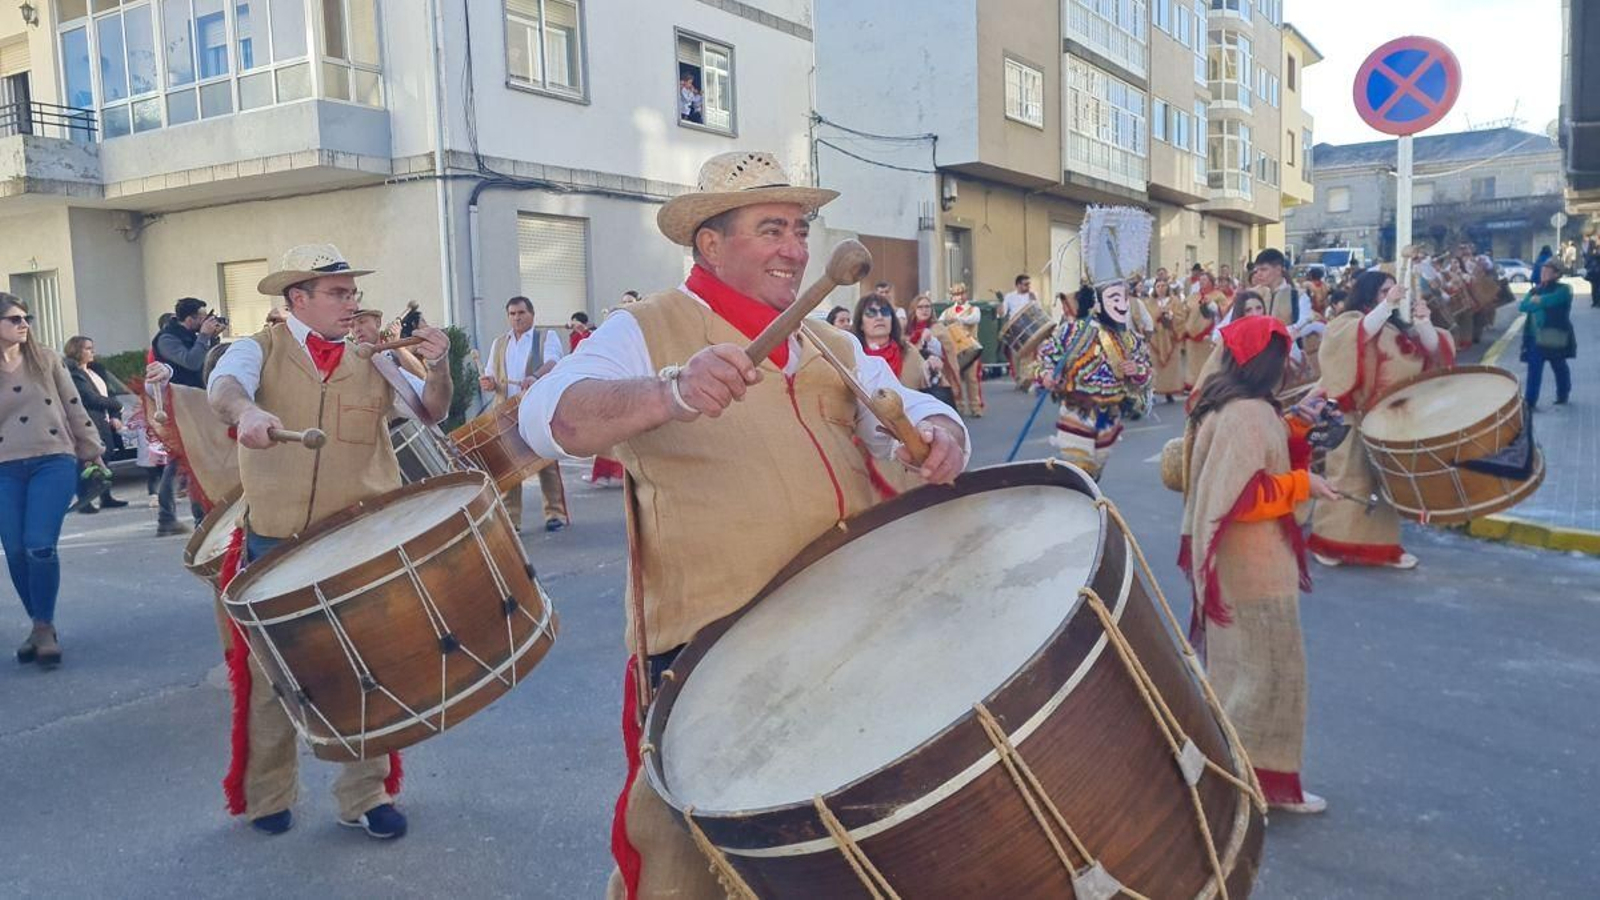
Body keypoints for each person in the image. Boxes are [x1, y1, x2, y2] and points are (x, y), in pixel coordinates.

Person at [518, 150, 967, 900]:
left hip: (849, 637)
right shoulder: (645, 328)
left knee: (845, 854)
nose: (795, 249)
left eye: (799, 228)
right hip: (712, 657)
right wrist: (670, 390)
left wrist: (940, 428)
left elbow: (904, 407)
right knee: (687, 866)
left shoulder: (833, 341)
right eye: (771, 229)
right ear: (710, 243)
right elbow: (549, 419)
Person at [207, 243, 452, 840]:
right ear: (299, 299)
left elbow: (431, 412)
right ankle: (267, 795)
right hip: (276, 543)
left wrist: (441, 365)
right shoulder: (253, 350)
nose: (352, 303)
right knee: (272, 680)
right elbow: (223, 390)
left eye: (352, 293)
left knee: (365, 672)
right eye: (338, 293)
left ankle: (364, 796)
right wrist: (247, 414)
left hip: (357, 541)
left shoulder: (374, 358)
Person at [1180, 314, 1338, 815]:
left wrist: (1296, 424)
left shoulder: (1231, 405)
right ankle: (1247, 784)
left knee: (1240, 674)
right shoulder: (1247, 413)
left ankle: (1235, 777)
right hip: (1255, 569)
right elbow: (1245, 496)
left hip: (1237, 569)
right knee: (1268, 677)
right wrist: (1303, 485)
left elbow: (1256, 458)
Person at [1309, 270, 1455, 570]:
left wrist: (1424, 322)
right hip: (1354, 416)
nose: (1394, 295)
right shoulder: (1348, 321)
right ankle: (1330, 542)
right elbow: (1354, 338)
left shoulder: (1396, 327)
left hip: (1391, 420)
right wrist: (1387, 305)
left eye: (1394, 290)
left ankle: (1383, 547)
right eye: (1384, 291)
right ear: (1369, 294)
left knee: (1386, 485)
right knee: (1347, 478)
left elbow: (1434, 351)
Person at [1, 295, 104, 668]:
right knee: (13, 549)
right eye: (14, 319)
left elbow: (73, 403)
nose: (23, 324)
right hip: (3, 467)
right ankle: (39, 623)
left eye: (26, 317)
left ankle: (44, 627)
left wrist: (91, 447)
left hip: (52, 459)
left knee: (39, 545)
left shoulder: (45, 359)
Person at [1034, 207, 1154, 480]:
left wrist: (1138, 371)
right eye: (1114, 298)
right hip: (1076, 412)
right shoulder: (1072, 331)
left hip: (1110, 416)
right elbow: (1045, 358)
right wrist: (1046, 375)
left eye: (1123, 298)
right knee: (1079, 473)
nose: (1121, 304)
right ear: (1098, 302)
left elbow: (1146, 379)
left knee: (1096, 472)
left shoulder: (1131, 339)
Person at [478, 296, 571, 532]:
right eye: (512, 314)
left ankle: (555, 513)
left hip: (537, 408)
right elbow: (491, 374)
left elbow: (554, 362)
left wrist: (536, 377)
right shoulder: (499, 343)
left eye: (521, 313)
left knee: (546, 462)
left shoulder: (545, 337)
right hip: (506, 412)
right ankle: (512, 518)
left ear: (532, 314)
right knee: (510, 466)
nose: (516, 318)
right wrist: (488, 382)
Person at [152, 298, 224, 535]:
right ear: (190, 318)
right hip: (179, 404)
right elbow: (192, 362)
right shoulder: (167, 338)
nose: (205, 321)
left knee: (193, 459)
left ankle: (196, 517)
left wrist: (213, 337)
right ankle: (170, 517)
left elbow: (208, 362)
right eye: (202, 317)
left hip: (197, 401)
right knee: (182, 460)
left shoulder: (193, 334)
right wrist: (204, 337)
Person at [62, 336, 130, 513]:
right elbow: (89, 398)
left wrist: (115, 413)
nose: (92, 352)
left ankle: (105, 496)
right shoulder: (73, 373)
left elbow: (109, 394)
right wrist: (116, 405)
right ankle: (85, 501)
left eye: (92, 348)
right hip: (89, 420)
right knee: (86, 462)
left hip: (104, 420)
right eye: (87, 348)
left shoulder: (95, 371)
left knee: (104, 458)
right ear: (77, 351)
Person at [1519, 259, 1575, 410]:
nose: (1543, 273)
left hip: (1553, 335)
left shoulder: (1564, 289)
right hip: (1533, 336)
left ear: (1556, 274)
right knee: (1534, 368)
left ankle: (1563, 393)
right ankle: (1530, 402)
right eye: (1542, 270)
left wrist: (1539, 301)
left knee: (1558, 365)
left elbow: (1553, 300)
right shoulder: (1535, 289)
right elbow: (1523, 306)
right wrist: (1538, 302)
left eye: (1547, 271)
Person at [940, 282, 985, 417]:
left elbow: (974, 319)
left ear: (966, 294)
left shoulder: (974, 309)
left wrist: (958, 318)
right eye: (955, 294)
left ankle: (975, 407)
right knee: (955, 378)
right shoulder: (947, 312)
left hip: (970, 348)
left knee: (972, 378)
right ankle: (958, 406)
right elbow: (939, 323)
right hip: (954, 350)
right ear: (952, 297)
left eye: (961, 293)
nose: (959, 297)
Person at [1145, 277, 1186, 402]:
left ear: (1168, 287)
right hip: (1155, 339)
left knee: (1171, 366)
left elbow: (1181, 317)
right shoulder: (1149, 302)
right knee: (1155, 365)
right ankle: (1154, 390)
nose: (1161, 289)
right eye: (1158, 286)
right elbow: (1146, 318)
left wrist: (1171, 316)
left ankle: (1170, 391)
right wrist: (1157, 315)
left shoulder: (1175, 301)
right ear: (1155, 288)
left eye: (1163, 286)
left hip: (1171, 336)